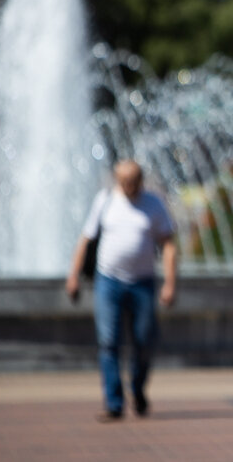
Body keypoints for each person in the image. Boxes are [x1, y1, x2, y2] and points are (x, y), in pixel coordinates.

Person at [66, 160, 177, 422]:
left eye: (134, 181)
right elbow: (86, 239)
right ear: (117, 179)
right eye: (124, 181)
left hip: (143, 282)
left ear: (141, 179)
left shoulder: (153, 203)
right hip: (108, 281)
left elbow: (169, 244)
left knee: (144, 341)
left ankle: (137, 388)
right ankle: (114, 402)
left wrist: (170, 283)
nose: (129, 187)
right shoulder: (105, 200)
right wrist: (74, 276)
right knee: (108, 342)